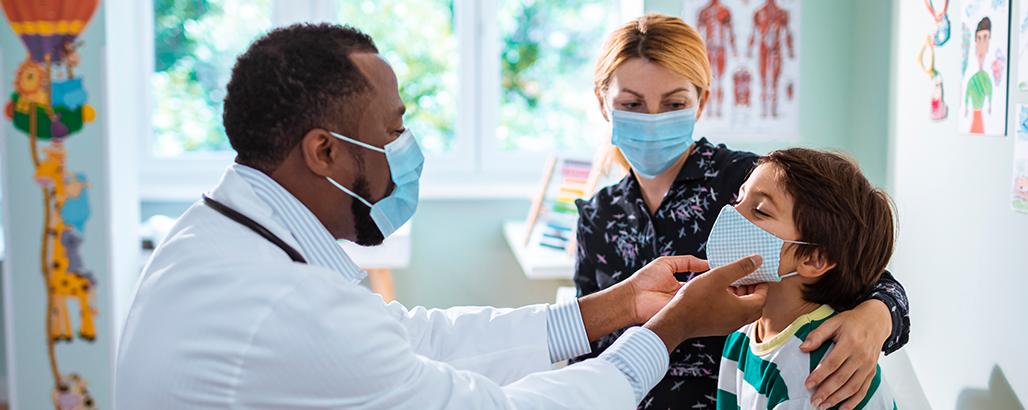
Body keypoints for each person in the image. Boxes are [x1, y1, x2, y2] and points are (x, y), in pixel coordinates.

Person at [114, 23, 771, 409]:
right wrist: (670, 327)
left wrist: (622, 305)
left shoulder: (219, 240)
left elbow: (415, 337)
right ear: (325, 151)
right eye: (395, 128)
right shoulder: (285, 307)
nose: (409, 148)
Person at [572, 14, 910, 410]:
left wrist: (874, 319)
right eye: (631, 104)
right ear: (602, 103)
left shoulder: (748, 183)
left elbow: (856, 263)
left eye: (673, 103)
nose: (652, 120)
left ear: (701, 102)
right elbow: (585, 341)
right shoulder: (599, 215)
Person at [714, 148, 897, 409]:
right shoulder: (742, 337)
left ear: (813, 259)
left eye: (760, 211)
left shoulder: (815, 371)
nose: (731, 214)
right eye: (738, 200)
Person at [965, 16, 992, 134]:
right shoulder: (972, 78)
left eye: (985, 38)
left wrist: (990, 104)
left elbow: (989, 90)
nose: (981, 44)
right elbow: (967, 93)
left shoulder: (986, 77)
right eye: (979, 39)